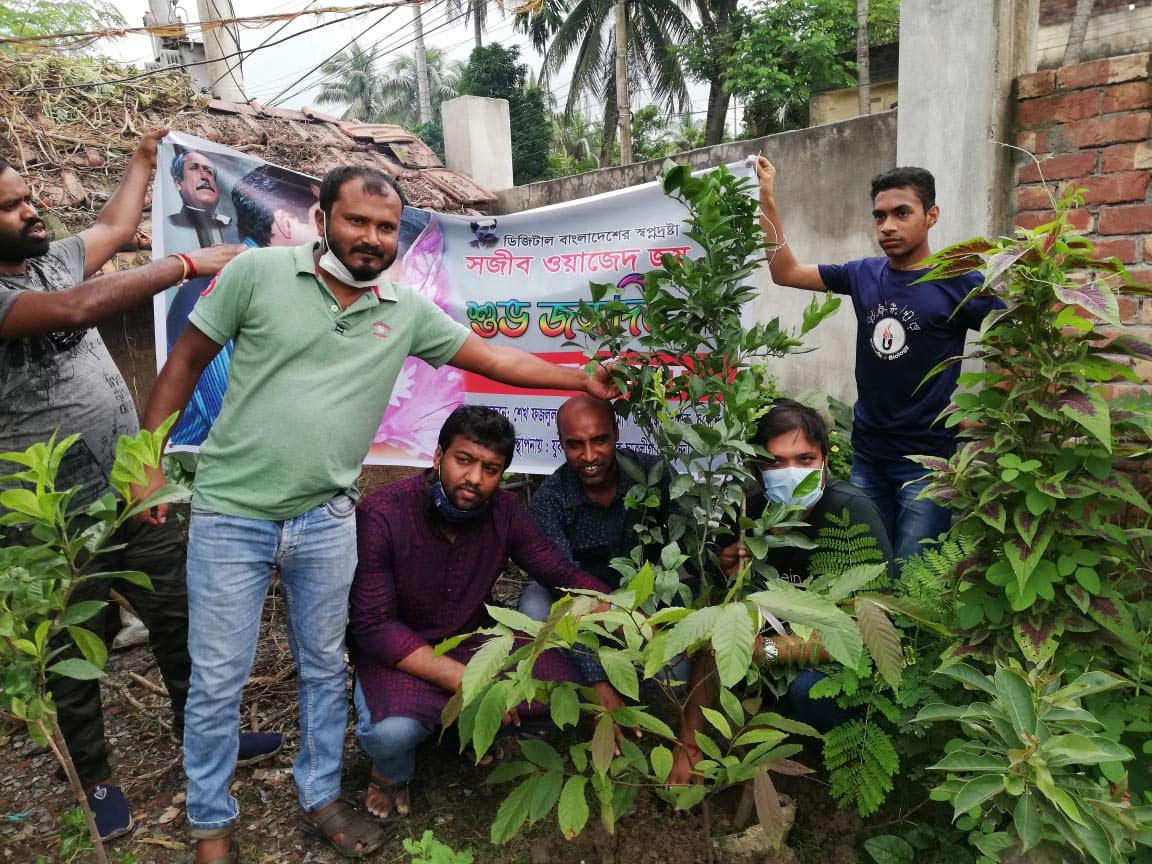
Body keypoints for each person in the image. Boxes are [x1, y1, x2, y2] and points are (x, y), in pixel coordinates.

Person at [132, 165, 622, 864]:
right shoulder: (256, 274)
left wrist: (579, 376)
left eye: (386, 227)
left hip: (326, 519)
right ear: (324, 215)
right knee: (216, 681)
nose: (371, 238)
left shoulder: (405, 309)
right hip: (230, 514)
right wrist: (147, 457)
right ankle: (212, 826)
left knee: (324, 669)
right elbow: (185, 359)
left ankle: (321, 794)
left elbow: (496, 356)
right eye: (357, 221)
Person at [0, 135, 281, 843]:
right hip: (49, 514)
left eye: (29, 197)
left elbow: (115, 229)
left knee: (180, 612)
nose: (32, 212)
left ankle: (205, 738)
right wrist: (185, 263)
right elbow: (75, 311)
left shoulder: (49, 259)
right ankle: (95, 779)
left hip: (129, 483)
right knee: (75, 647)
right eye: (12, 207)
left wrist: (140, 166)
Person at [349, 406, 624, 819]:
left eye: (491, 469)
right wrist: (467, 681)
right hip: (400, 656)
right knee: (391, 733)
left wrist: (623, 610)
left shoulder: (505, 512)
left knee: (567, 689)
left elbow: (558, 572)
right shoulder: (382, 514)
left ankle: (474, 730)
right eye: (464, 461)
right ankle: (392, 770)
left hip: (471, 643)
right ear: (439, 456)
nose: (475, 479)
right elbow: (374, 626)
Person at [756, 158, 1001, 563]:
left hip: (927, 462)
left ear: (931, 215)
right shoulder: (864, 274)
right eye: (880, 216)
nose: (887, 226)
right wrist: (767, 197)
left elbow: (1010, 336)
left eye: (902, 213)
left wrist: (986, 414)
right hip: (868, 454)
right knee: (862, 567)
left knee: (913, 577)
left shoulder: (958, 281)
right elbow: (785, 272)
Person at [669, 399, 895, 786]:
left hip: (834, 661)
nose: (792, 473)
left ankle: (827, 762)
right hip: (768, 643)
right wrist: (685, 746)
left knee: (807, 691)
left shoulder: (852, 514)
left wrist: (766, 652)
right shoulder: (746, 514)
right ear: (756, 466)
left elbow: (866, 635)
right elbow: (722, 626)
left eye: (805, 458)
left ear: (825, 458)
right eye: (776, 461)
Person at [165, 163, 322, 447]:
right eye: (319, 219)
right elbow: (233, 417)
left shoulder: (290, 284)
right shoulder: (217, 286)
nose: (330, 232)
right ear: (285, 221)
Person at [518, 394, 670, 621]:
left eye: (599, 440)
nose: (589, 456)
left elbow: (691, 541)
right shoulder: (549, 500)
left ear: (615, 433)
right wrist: (626, 621)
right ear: (561, 442)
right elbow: (564, 580)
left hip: (649, 593)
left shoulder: (653, 474)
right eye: (575, 444)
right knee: (534, 604)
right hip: (581, 603)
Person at [166, 149, 239, 248]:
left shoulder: (231, 224)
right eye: (194, 168)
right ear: (178, 183)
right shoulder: (171, 225)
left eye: (209, 171)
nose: (205, 176)